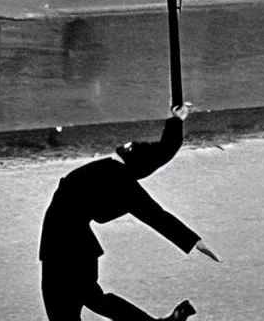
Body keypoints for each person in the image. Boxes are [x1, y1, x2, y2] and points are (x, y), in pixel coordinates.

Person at [39, 103, 220, 321]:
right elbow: (155, 205)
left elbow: (154, 211)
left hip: (64, 249)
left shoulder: (111, 172)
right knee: (92, 300)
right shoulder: (119, 177)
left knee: (77, 306)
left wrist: (193, 241)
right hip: (72, 248)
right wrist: (176, 121)